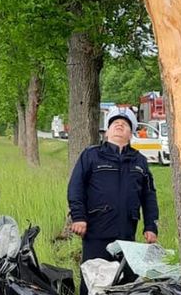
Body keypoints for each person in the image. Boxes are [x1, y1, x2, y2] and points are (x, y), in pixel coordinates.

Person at [67, 107, 159, 263]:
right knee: (94, 282)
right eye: (115, 123)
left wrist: (151, 226)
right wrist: (78, 217)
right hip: (96, 232)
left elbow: (149, 196)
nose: (119, 125)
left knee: (124, 283)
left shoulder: (140, 161)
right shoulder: (91, 155)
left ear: (131, 134)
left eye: (125, 124)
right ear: (107, 132)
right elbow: (76, 187)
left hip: (127, 235)